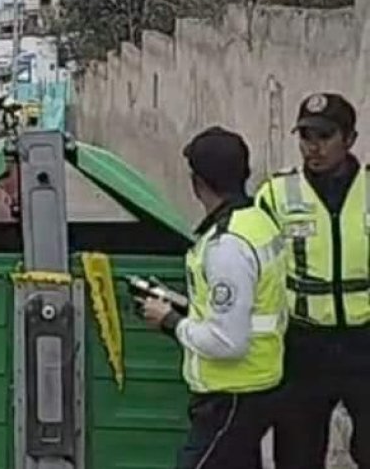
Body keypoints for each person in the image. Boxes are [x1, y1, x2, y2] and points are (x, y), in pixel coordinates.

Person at [142, 126, 287, 469]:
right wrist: (176, 302)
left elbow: (226, 341)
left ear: (197, 183)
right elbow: (242, 306)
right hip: (252, 386)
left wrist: (170, 321)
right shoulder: (258, 222)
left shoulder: (228, 245)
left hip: (232, 394)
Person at [255, 93, 370, 468]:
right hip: (304, 344)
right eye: (305, 136)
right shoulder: (276, 194)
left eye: (324, 136)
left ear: (350, 139)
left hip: (364, 341)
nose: (312, 147)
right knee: (298, 453)